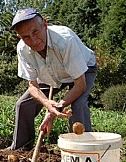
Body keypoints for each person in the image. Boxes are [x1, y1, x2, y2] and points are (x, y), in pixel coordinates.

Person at [10, 8, 97, 150]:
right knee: (23, 105)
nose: (33, 40)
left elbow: (80, 85)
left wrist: (53, 111)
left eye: (35, 32)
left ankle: (82, 150)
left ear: (44, 24)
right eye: (26, 37)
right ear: (20, 37)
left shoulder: (65, 40)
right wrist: (46, 103)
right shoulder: (23, 49)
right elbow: (32, 85)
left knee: (78, 105)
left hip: (83, 71)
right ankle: (21, 149)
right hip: (50, 76)